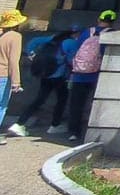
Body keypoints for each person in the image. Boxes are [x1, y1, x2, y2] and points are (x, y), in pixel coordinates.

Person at [65, 9, 118, 143]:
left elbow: (76, 50)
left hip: (79, 74)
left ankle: (74, 132)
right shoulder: (112, 34)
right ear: (112, 22)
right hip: (98, 75)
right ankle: (94, 131)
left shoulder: (86, 32)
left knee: (76, 104)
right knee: (96, 104)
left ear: (99, 19)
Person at [7, 30, 74, 137]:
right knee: (61, 100)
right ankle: (55, 125)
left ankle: (19, 123)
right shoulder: (71, 43)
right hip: (60, 76)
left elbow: (34, 41)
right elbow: (71, 60)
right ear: (73, 34)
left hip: (45, 74)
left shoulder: (52, 38)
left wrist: (31, 54)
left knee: (39, 99)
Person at [0, 10, 28, 145]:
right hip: (3, 74)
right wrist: (16, 81)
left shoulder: (2, 35)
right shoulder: (16, 36)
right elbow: (13, 60)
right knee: (1, 105)